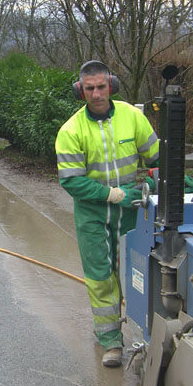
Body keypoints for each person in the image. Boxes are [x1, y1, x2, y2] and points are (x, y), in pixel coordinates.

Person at [55, 60, 159, 367]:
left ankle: (147, 339)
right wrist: (112, 195)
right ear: (80, 91)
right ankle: (111, 341)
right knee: (101, 278)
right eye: (89, 89)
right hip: (93, 216)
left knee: (137, 273)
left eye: (101, 87)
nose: (96, 94)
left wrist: (160, 176)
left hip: (131, 213)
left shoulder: (132, 117)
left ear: (110, 86)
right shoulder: (71, 130)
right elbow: (72, 181)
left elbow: (155, 157)